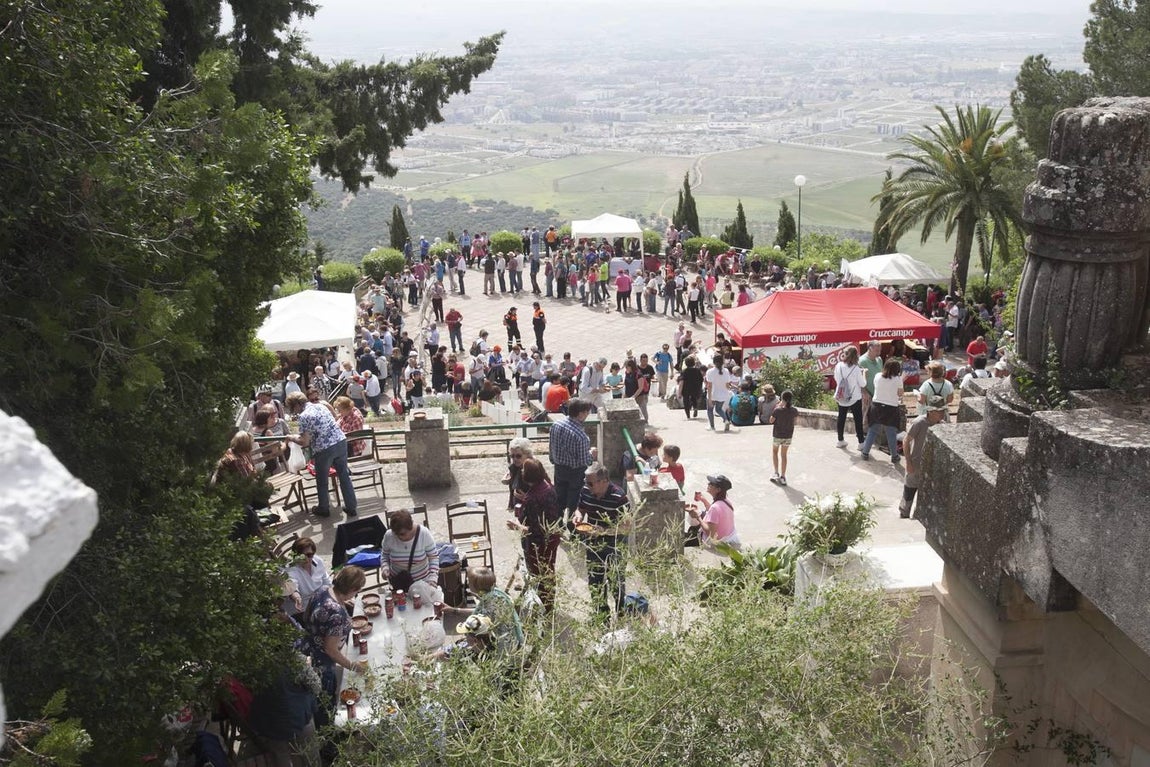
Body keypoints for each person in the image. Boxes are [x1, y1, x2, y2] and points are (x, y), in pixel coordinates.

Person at [302, 565, 368, 727]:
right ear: (352, 589)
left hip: (309, 647)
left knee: (318, 697)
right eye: (357, 591)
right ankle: (328, 735)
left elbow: (306, 616)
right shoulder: (337, 614)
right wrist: (353, 666)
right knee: (325, 701)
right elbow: (330, 650)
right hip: (322, 663)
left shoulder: (323, 590)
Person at [285, 391, 357, 519]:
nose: (293, 411)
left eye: (292, 407)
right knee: (344, 475)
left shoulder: (304, 416)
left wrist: (291, 437)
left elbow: (304, 442)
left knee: (322, 480)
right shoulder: (321, 406)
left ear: (296, 405)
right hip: (340, 441)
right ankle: (351, 507)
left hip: (324, 449)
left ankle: (324, 508)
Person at [573, 463, 630, 619]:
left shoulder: (619, 497)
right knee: (595, 580)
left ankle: (621, 614)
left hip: (615, 544)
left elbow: (626, 527)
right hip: (593, 542)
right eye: (586, 482)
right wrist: (578, 516)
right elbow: (580, 508)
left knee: (616, 580)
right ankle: (602, 616)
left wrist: (604, 531)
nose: (587, 486)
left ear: (604, 481)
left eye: (590, 483)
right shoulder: (586, 491)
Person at [506, 458, 563, 611]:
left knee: (539, 574)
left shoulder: (533, 498)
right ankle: (548, 604)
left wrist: (516, 526)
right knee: (549, 570)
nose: (521, 471)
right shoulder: (547, 486)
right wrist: (525, 498)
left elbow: (534, 529)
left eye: (524, 470)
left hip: (538, 544)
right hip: (552, 537)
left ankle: (543, 607)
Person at [548, 398, 597, 521]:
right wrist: (592, 454)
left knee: (559, 498)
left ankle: (556, 524)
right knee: (574, 502)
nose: (588, 414)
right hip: (576, 472)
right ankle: (572, 525)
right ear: (580, 414)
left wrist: (554, 460)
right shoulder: (581, 436)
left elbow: (551, 447)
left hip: (559, 468)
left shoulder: (556, 425)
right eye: (586, 412)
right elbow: (585, 461)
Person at [901, 395, 948, 518]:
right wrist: (908, 463)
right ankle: (904, 513)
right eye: (939, 411)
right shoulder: (919, 423)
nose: (942, 414)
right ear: (930, 411)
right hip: (915, 465)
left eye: (943, 411)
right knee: (909, 491)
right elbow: (906, 441)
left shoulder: (942, 425)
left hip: (931, 466)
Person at [381, 509, 439, 591]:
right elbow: (384, 555)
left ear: (411, 528)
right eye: (396, 534)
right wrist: (385, 568)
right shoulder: (389, 535)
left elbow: (433, 557)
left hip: (422, 584)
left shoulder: (424, 534)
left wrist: (433, 578)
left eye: (402, 534)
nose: (399, 537)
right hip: (398, 584)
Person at [860, 358, 905, 463]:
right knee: (891, 433)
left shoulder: (877, 376)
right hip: (891, 408)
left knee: (872, 431)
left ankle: (865, 452)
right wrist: (902, 379)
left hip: (876, 406)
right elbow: (900, 394)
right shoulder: (898, 379)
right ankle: (894, 456)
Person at [685, 474, 741, 551]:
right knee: (701, 513)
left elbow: (711, 535)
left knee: (680, 538)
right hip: (728, 536)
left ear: (718, 489)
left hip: (714, 540)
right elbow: (713, 513)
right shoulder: (726, 501)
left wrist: (698, 517)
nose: (708, 484)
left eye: (711, 484)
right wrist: (704, 500)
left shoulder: (715, 508)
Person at [284, 537, 332, 618]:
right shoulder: (291, 569)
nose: (306, 559)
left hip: (319, 601)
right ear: (296, 555)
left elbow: (326, 581)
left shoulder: (318, 561)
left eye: (309, 555)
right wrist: (296, 597)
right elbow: (291, 585)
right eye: (302, 556)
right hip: (303, 609)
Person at [833, 346, 866, 448]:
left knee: (841, 418)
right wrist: (864, 373)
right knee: (858, 420)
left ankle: (840, 440)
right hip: (854, 397)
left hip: (841, 396)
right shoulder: (856, 369)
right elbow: (863, 384)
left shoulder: (838, 366)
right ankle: (861, 442)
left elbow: (836, 378)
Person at [769, 390, 796, 486]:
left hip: (778, 435)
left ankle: (776, 472)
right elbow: (794, 420)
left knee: (775, 452)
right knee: (784, 455)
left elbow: (771, 420)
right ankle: (783, 476)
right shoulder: (794, 410)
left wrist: (777, 407)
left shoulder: (777, 410)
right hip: (788, 435)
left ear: (782, 398)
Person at [704, 355, 736, 431]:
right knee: (719, 409)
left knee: (710, 410)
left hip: (713, 394)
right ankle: (726, 420)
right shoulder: (726, 371)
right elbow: (727, 385)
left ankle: (712, 426)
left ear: (714, 362)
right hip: (722, 394)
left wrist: (709, 398)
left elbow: (709, 386)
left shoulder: (710, 372)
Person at [503, 437, 533, 511]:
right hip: (519, 506)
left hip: (533, 507)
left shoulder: (533, 468)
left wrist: (528, 498)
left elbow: (544, 492)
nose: (515, 459)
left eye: (518, 456)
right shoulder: (514, 467)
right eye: (512, 456)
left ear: (527, 454)